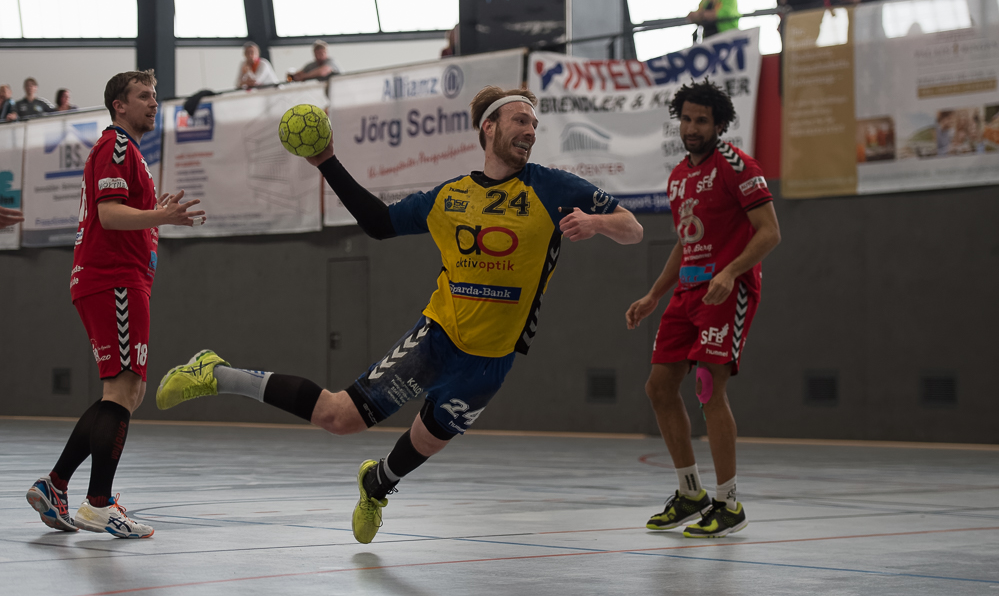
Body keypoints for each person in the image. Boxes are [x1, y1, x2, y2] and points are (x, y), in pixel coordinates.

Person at [155, 85, 644, 545]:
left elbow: (633, 228)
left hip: (493, 360)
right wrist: (326, 161)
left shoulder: (553, 187)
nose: (531, 131)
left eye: (535, 125)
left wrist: (597, 223)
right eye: (521, 120)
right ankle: (215, 373)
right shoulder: (450, 197)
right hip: (438, 339)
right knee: (339, 418)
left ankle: (375, 486)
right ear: (489, 127)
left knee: (426, 442)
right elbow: (378, 222)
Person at [25, 70, 205, 539]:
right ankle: (99, 504)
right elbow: (108, 214)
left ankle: (55, 485)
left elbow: (123, 213)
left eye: (155, 96)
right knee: (123, 389)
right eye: (144, 96)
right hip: (113, 281)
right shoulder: (117, 146)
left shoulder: (130, 153)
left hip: (120, 281)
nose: (154, 103)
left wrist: (154, 215)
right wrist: (161, 214)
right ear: (118, 105)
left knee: (127, 391)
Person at [626, 80, 780, 539]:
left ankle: (729, 503)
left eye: (702, 121)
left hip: (726, 290)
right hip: (686, 293)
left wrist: (730, 272)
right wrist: (654, 294)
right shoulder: (678, 176)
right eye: (687, 119)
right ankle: (690, 493)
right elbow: (683, 242)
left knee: (708, 387)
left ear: (719, 125)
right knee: (659, 387)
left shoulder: (736, 165)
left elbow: (769, 232)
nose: (692, 128)